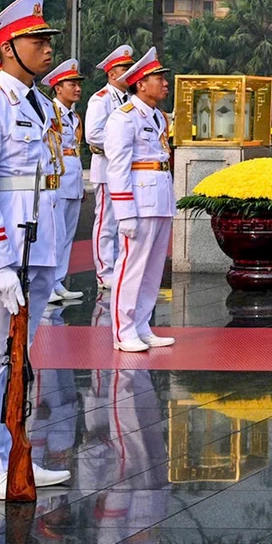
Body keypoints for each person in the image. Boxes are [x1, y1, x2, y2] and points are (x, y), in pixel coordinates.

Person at [0, 0, 73, 497]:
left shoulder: (41, 104)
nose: (47, 48)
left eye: (48, 39)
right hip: (0, 251)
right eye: (37, 40)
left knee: (19, 359)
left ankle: (13, 454)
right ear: (7, 48)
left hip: (37, 243)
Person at [102, 48, 175, 354]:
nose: (165, 83)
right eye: (159, 78)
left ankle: (142, 324)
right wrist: (125, 212)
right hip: (139, 201)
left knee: (152, 268)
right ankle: (123, 329)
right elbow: (117, 166)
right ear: (140, 84)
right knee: (131, 267)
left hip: (159, 197)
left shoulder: (157, 115)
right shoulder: (124, 118)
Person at [84, 44, 134, 288]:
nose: (129, 72)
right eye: (124, 68)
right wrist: (122, 144)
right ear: (111, 73)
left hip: (126, 171)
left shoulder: (130, 100)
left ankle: (117, 267)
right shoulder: (101, 99)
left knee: (123, 222)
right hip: (106, 170)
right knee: (106, 222)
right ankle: (104, 271)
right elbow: (93, 134)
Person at [40, 57, 86, 306]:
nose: (77, 88)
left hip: (73, 181)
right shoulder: (51, 112)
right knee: (54, 235)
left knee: (67, 236)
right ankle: (48, 285)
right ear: (58, 87)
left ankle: (58, 281)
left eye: (78, 84)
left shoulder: (74, 117)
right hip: (57, 181)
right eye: (71, 84)